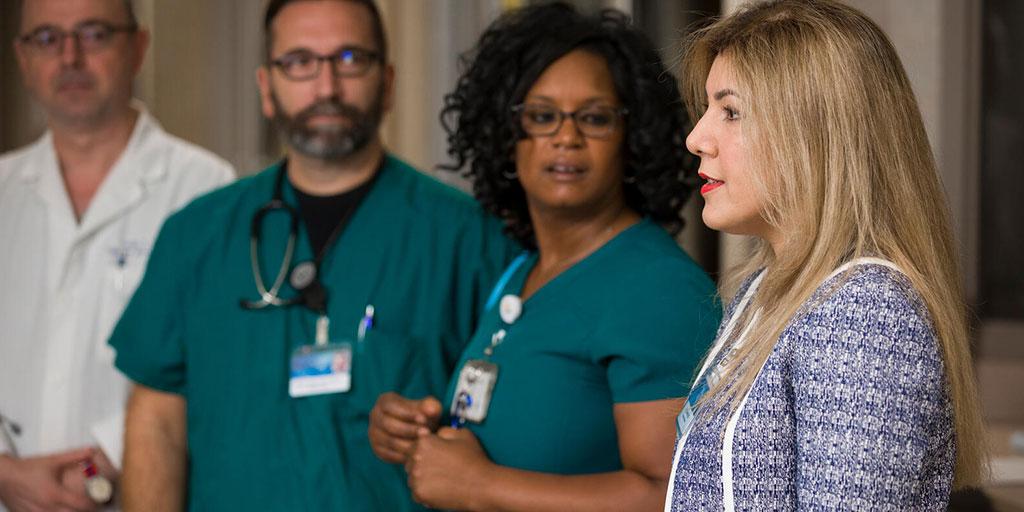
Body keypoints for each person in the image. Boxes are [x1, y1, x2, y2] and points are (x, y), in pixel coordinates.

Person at [109, 0, 515, 510]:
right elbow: (157, 420)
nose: (326, 87)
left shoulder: (467, 239)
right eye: (299, 61)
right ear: (266, 88)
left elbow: (514, 419)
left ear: (388, 82)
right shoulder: (196, 236)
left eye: (350, 59)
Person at [368, 4, 720, 511]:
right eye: (541, 116)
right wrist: (418, 432)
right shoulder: (521, 272)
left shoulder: (658, 289)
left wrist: (478, 485)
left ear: (632, 137)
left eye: (594, 118)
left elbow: (672, 495)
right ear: (506, 134)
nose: (566, 137)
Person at [664, 0, 987, 510]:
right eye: (708, 109)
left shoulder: (866, 312)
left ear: (815, 133)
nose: (696, 138)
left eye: (731, 111)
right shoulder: (765, 291)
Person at [0, 0, 234, 509]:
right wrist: (7, 474)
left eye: (94, 34)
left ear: (138, 47)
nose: (70, 57)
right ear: (22, 58)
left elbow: (218, 363)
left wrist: (92, 470)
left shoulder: (207, 190)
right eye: (47, 39)